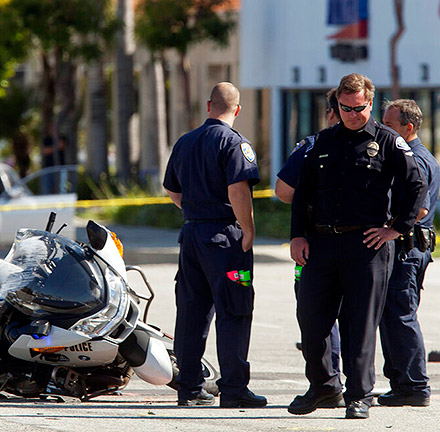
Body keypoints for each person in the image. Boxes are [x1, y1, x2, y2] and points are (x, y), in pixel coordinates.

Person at [288, 73, 426, 419]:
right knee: (311, 318)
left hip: (366, 245)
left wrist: (396, 228)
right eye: (345, 108)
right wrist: (297, 235)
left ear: (370, 103)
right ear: (337, 105)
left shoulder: (388, 141)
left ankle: (359, 395)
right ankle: (323, 386)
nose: (352, 114)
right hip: (320, 243)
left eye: (359, 108)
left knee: (360, 323)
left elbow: (416, 185)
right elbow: (302, 192)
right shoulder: (321, 142)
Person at [163, 82, 267, 408]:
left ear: (209, 106)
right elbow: (238, 189)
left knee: (191, 312)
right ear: (237, 110)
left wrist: (197, 211)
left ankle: (190, 387)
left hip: (192, 235)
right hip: (225, 238)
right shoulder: (234, 143)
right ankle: (235, 388)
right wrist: (248, 230)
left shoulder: (185, 142)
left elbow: (173, 191)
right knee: (234, 310)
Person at [275, 88, 342, 392]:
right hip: (366, 242)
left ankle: (329, 380)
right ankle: (355, 386)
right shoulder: (378, 142)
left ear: (330, 113)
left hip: (316, 239)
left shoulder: (312, 145)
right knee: (354, 312)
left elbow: (283, 191)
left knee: (316, 310)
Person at [378, 99, 439, 407]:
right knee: (391, 316)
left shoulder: (415, 159)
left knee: (401, 315)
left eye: (388, 126)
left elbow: (420, 207)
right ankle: (402, 383)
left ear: (408, 128)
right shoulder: (406, 155)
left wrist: (390, 227)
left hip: (407, 248)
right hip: (406, 247)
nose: (382, 131)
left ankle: (414, 385)